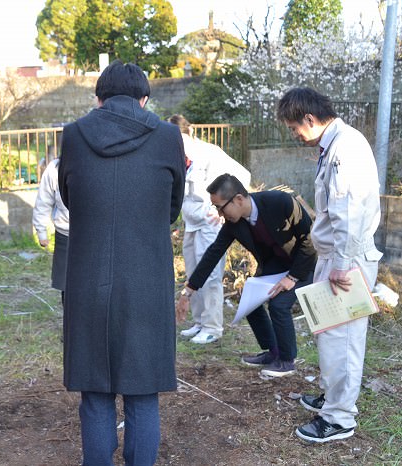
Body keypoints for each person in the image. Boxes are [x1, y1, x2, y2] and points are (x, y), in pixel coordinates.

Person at [58, 60, 185, 465]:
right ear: (145, 99)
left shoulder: (74, 135)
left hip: (87, 274)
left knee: (95, 394)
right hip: (147, 276)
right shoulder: (168, 135)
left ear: (99, 98)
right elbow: (173, 205)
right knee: (142, 393)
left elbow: (68, 195)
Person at [277, 87, 382, 443]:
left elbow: (348, 209)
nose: (294, 135)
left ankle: (339, 418)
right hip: (336, 256)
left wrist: (341, 262)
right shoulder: (335, 144)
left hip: (346, 259)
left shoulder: (345, 148)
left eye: (294, 128)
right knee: (329, 334)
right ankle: (332, 399)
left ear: (310, 119)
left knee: (344, 339)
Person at [176, 174, 316, 378]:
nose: (219, 214)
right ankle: (272, 351)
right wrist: (188, 291)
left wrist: (292, 277)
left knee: (279, 305)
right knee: (249, 301)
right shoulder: (235, 224)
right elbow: (213, 253)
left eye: (220, 207)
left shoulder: (279, 202)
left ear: (239, 199)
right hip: (275, 266)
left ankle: (287, 361)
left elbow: (310, 237)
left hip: (305, 262)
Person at [168, 114, 251, 344]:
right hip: (191, 220)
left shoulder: (209, 153)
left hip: (210, 223)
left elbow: (242, 175)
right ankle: (199, 321)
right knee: (194, 272)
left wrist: (222, 210)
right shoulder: (177, 157)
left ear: (190, 134)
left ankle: (213, 326)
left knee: (211, 275)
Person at [32, 157, 69, 303]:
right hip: (65, 234)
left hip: (95, 235)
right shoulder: (55, 168)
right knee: (67, 287)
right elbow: (43, 201)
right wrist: (41, 231)